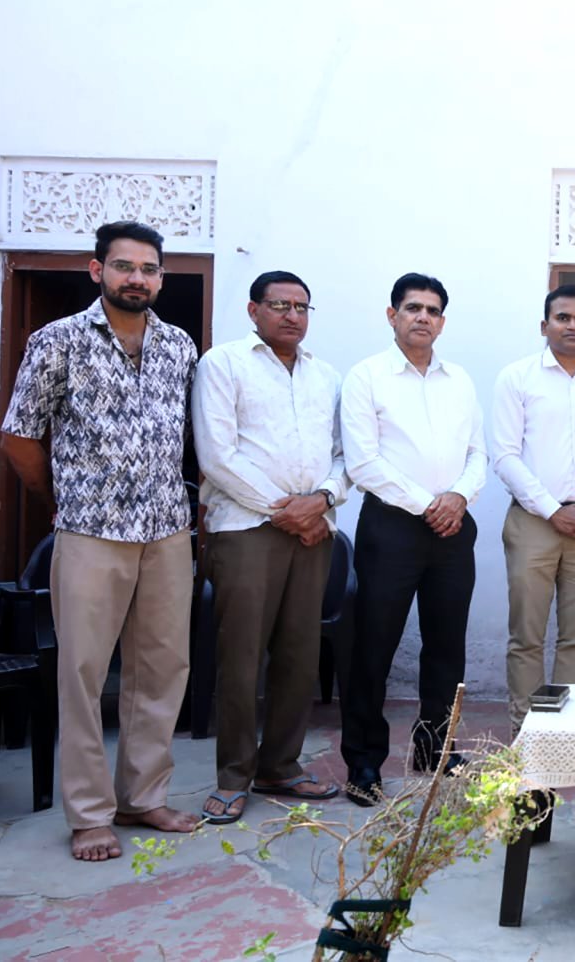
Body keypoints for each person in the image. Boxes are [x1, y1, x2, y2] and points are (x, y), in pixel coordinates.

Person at [0, 220, 200, 861]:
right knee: (83, 672)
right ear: (98, 270)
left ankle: (143, 796)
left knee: (163, 668)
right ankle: (89, 814)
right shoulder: (56, 340)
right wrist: (58, 497)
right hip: (91, 530)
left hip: (167, 530)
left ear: (161, 277)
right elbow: (19, 436)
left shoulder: (179, 346)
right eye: (124, 266)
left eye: (148, 269)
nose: (136, 278)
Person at [192, 270, 346, 824]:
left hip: (313, 529)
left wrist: (322, 500)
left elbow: (343, 453)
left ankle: (281, 764)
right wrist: (287, 510)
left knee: (299, 654)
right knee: (241, 656)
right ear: (254, 310)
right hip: (246, 529)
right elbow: (217, 455)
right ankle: (234, 775)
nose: (292, 315)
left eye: (301, 307)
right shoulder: (223, 364)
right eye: (280, 305)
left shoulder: (325, 375)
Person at [340, 273, 486, 806]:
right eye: (412, 308)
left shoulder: (459, 380)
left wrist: (459, 497)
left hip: (453, 527)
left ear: (442, 322)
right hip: (392, 528)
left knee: (447, 646)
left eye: (432, 310)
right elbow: (363, 462)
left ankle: (436, 748)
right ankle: (363, 763)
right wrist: (429, 503)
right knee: (373, 646)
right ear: (392, 315)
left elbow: (477, 453)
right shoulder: (367, 377)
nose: (423, 317)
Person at [492, 285, 575, 734]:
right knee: (527, 637)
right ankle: (526, 731)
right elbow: (505, 456)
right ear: (544, 325)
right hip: (534, 522)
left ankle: (564, 734)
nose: (573, 326)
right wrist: (553, 510)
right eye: (563, 317)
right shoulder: (517, 378)